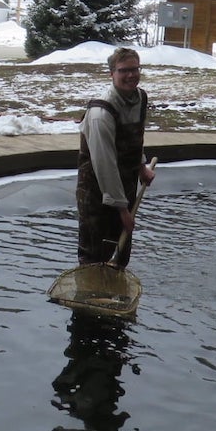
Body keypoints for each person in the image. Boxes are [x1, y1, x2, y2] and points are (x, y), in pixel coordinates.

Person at [77, 46, 155, 266]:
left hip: (126, 184)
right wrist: (122, 210)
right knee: (95, 256)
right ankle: (89, 295)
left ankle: (115, 296)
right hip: (97, 191)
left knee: (121, 253)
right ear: (112, 74)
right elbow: (105, 165)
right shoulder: (101, 113)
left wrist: (141, 167)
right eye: (123, 70)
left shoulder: (140, 98)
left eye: (135, 69)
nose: (131, 75)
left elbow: (134, 138)